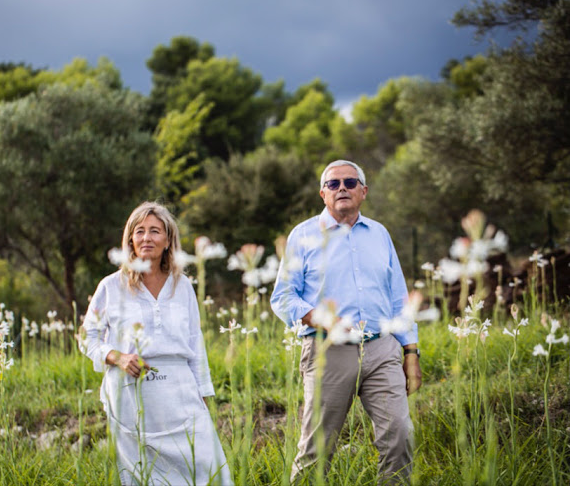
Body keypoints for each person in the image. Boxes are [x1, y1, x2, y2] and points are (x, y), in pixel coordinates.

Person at [270, 160, 421, 485]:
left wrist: (411, 352)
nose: (342, 188)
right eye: (334, 183)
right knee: (317, 449)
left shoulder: (380, 234)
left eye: (350, 183)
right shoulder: (304, 235)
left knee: (399, 434)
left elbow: (399, 299)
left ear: (363, 191)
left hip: (382, 349)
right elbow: (283, 297)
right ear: (323, 193)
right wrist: (323, 318)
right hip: (328, 350)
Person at [79, 201, 232, 486]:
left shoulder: (182, 285)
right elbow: (87, 336)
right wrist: (117, 356)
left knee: (207, 465)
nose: (146, 237)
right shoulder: (111, 286)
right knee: (141, 474)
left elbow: (194, 342)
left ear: (168, 240)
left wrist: (203, 392)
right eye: (139, 231)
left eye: (154, 231)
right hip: (131, 391)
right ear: (130, 241)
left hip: (179, 388)